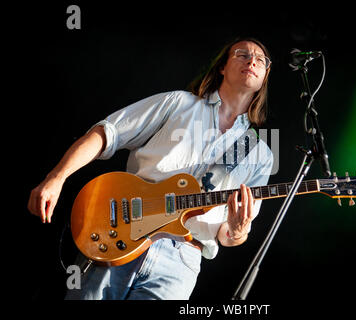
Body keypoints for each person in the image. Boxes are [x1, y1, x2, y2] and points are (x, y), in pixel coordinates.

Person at [27, 37, 274, 300]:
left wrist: (238, 230)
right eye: (242, 54)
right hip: (121, 233)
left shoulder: (259, 154)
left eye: (260, 59)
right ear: (222, 66)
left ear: (264, 77)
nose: (252, 61)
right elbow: (107, 132)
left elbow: (227, 236)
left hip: (180, 262)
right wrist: (57, 177)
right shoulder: (180, 103)